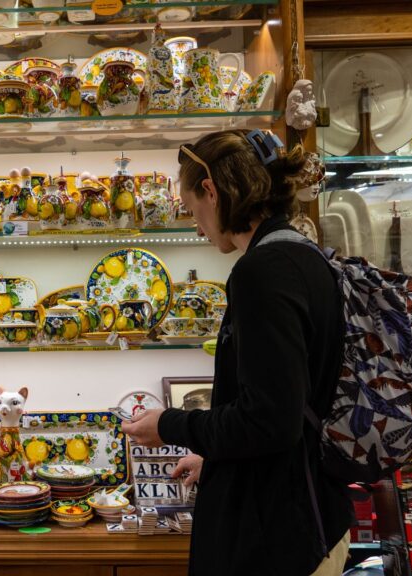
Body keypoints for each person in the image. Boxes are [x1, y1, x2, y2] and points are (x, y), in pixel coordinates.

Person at [122, 129, 354, 575]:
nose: (196, 225)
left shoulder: (262, 272)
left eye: (192, 209)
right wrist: (217, 458)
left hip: (282, 535)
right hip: (311, 513)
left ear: (211, 190)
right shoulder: (303, 255)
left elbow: (269, 420)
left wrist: (168, 424)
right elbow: (289, 407)